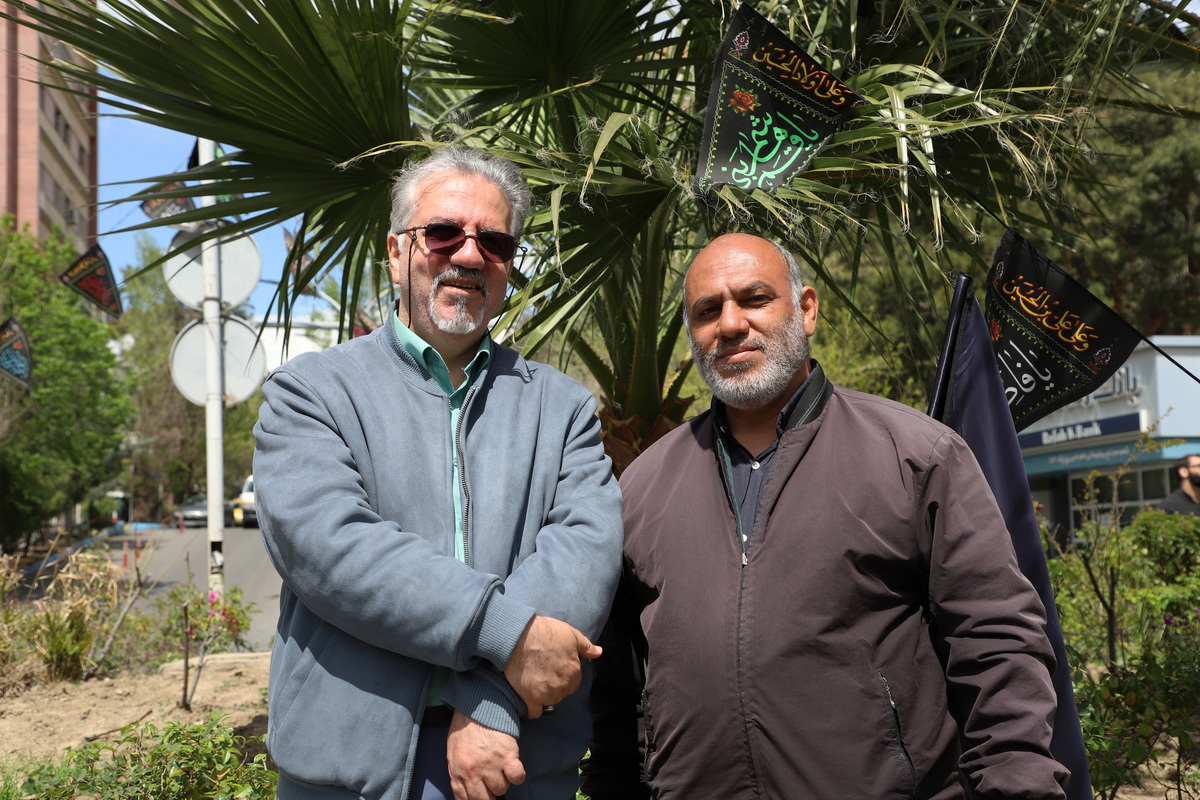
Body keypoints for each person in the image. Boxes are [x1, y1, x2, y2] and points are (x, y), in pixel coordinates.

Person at [582, 233, 1070, 800]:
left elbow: (995, 639)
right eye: (707, 311)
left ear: (807, 309)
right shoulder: (643, 486)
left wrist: (1017, 785)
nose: (731, 324)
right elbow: (618, 690)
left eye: (754, 299)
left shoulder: (916, 456)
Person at [254, 147, 623, 800]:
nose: (470, 254)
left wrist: (490, 702)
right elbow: (331, 547)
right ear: (397, 251)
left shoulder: (562, 408)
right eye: (444, 232)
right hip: (347, 772)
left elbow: (584, 554)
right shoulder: (310, 391)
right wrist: (504, 631)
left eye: (494, 241)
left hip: (514, 760)